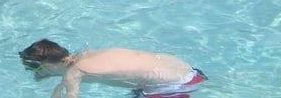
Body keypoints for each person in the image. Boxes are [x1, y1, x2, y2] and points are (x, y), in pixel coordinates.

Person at [20, 39, 206, 98]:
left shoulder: (73, 73)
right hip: (187, 69)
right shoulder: (85, 54)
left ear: (45, 64)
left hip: (174, 86)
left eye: (36, 69)